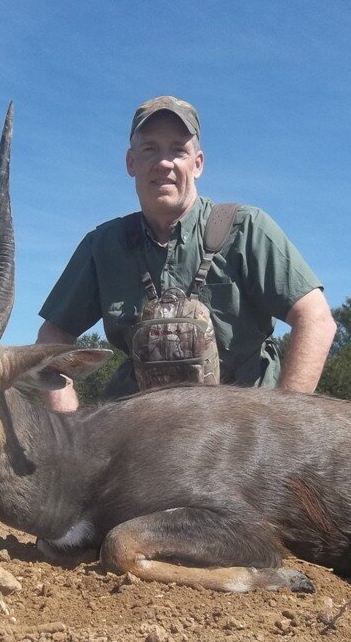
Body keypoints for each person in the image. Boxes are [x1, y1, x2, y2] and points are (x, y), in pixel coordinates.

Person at [37, 95, 335, 411]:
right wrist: (70, 426)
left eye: (178, 150)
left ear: (198, 163)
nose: (164, 163)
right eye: (150, 149)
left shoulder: (246, 227)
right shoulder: (103, 245)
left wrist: (283, 424)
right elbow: (52, 337)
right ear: (131, 162)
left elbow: (316, 319)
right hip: (141, 432)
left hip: (243, 436)